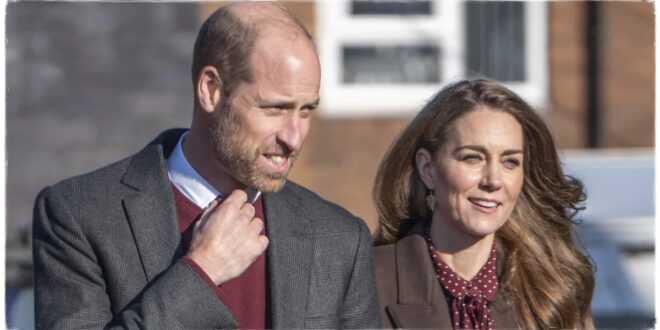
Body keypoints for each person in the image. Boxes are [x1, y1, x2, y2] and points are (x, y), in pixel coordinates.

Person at [32, 3, 379, 329]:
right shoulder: (78, 215)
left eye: (306, 111)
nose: (294, 137)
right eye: (274, 108)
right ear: (210, 90)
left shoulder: (340, 239)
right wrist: (201, 272)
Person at [372, 79, 594, 329]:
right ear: (428, 168)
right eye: (473, 158)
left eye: (510, 162)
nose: (493, 180)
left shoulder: (553, 292)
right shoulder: (366, 281)